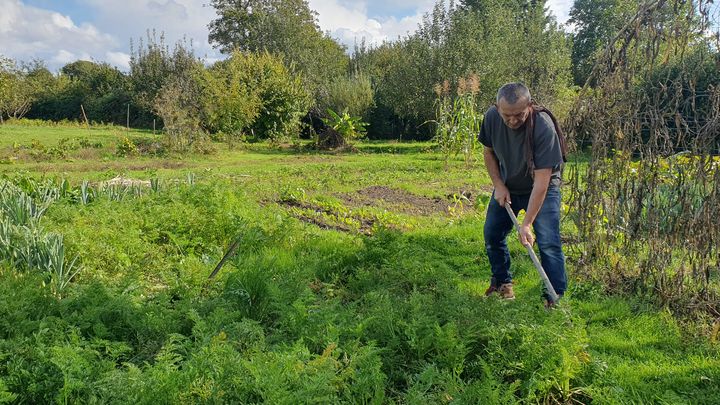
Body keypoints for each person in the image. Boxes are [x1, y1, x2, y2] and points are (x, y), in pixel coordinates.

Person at [478, 82, 566, 307]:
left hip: (541, 188)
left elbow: (542, 180)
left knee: (548, 242)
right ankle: (502, 284)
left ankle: (553, 298)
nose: (512, 120)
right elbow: (488, 153)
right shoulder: (491, 118)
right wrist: (498, 184)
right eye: (507, 115)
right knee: (492, 233)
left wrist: (527, 224)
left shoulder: (543, 127)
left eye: (519, 114)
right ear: (498, 108)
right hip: (508, 184)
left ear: (529, 106)